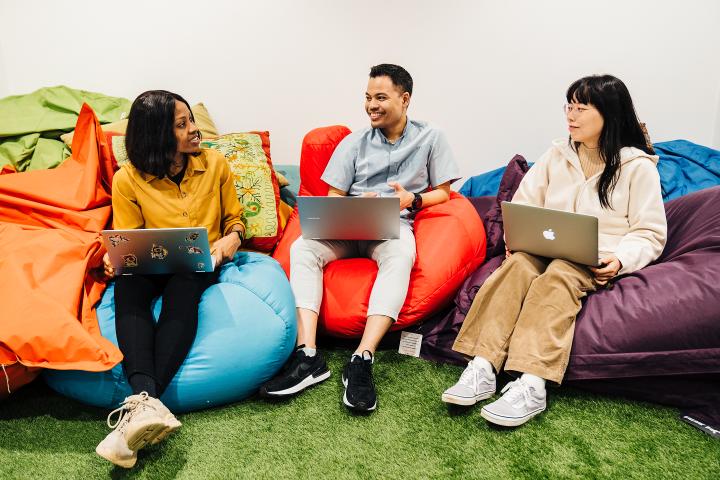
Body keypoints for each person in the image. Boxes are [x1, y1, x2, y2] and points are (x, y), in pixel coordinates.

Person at [442, 74, 667, 427]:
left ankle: (533, 383)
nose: (571, 116)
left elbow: (650, 232)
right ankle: (483, 366)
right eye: (569, 106)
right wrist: (517, 241)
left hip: (594, 256)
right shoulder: (556, 155)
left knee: (560, 274)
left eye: (581, 108)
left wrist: (621, 259)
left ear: (609, 113)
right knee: (515, 269)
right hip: (543, 245)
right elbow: (524, 204)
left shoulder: (637, 167)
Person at [259, 64, 460, 412]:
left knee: (401, 256)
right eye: (368, 98)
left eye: (381, 97)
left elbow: (444, 193)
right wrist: (355, 208)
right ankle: (308, 355)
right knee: (302, 247)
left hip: (394, 225)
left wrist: (410, 200)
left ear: (405, 98)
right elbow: (335, 197)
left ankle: (362, 357)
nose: (371, 105)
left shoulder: (431, 137)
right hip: (350, 226)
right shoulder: (353, 143)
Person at [96, 90, 245, 467]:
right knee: (128, 287)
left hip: (200, 262)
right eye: (183, 125)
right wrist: (120, 259)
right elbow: (130, 236)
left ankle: (138, 404)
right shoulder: (127, 179)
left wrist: (227, 244)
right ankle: (147, 406)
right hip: (152, 262)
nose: (195, 130)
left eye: (191, 120)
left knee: (183, 286)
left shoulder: (215, 164)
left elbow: (236, 224)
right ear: (158, 135)